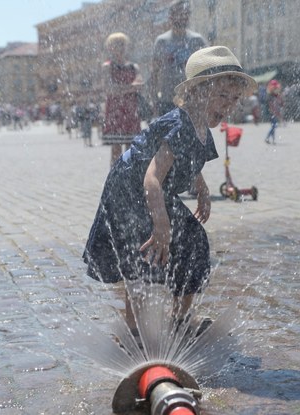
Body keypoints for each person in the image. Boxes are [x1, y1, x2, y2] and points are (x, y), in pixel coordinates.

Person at [83, 46, 255, 336]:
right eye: (222, 95)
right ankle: (134, 330)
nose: (228, 105)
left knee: (193, 242)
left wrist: (201, 188)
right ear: (198, 92)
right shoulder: (179, 125)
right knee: (142, 257)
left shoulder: (201, 128)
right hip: (130, 192)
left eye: (234, 98)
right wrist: (161, 223)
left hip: (155, 193)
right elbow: (152, 178)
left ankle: (180, 319)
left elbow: (189, 161)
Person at [150, 0, 207, 117]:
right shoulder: (162, 41)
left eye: (185, 13)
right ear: (170, 16)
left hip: (193, 99)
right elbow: (155, 73)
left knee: (193, 134)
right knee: (168, 134)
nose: (182, 16)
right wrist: (154, 100)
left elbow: (206, 71)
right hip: (167, 100)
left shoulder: (197, 40)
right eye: (178, 13)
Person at [101, 32, 143, 166]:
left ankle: (128, 177)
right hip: (116, 111)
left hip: (130, 109)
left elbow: (139, 85)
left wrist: (121, 89)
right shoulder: (107, 66)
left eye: (122, 44)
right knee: (116, 147)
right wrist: (130, 88)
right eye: (116, 44)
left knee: (131, 147)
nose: (120, 47)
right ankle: (115, 179)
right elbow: (109, 89)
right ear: (110, 47)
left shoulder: (133, 66)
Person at [265, 79, 284, 144]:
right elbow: (271, 106)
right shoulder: (270, 96)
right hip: (272, 113)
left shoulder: (275, 95)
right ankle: (267, 138)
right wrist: (275, 113)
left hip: (274, 113)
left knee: (274, 127)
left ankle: (272, 140)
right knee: (274, 126)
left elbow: (281, 103)